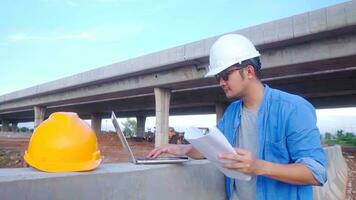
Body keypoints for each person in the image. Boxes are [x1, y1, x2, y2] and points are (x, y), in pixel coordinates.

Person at [147, 34, 327, 200]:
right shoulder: (233, 112)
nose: (221, 82)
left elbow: (316, 172)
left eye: (225, 75)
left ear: (249, 71)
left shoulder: (293, 109)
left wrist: (258, 166)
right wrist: (176, 149)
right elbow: (214, 149)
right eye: (218, 76)